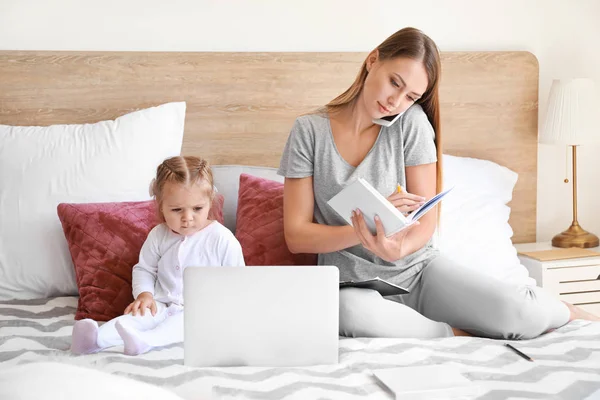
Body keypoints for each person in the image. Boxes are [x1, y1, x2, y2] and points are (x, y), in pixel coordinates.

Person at [278, 27, 599, 340]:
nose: (396, 102)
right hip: (351, 286)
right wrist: (365, 233)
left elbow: (425, 221)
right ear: (372, 60)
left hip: (418, 272)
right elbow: (297, 236)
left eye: (411, 96)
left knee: (520, 313)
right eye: (394, 83)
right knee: (349, 314)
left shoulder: (412, 123)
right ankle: (456, 334)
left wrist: (398, 247)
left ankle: (565, 311)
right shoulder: (309, 130)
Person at [71, 156, 245, 355]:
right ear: (161, 205)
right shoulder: (159, 235)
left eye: (197, 209)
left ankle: (145, 341)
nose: (187, 218)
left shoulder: (221, 239)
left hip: (200, 311)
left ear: (210, 202)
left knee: (179, 326)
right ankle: (94, 339)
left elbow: (237, 283)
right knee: (136, 317)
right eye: (177, 209)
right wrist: (145, 295)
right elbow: (145, 269)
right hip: (161, 304)